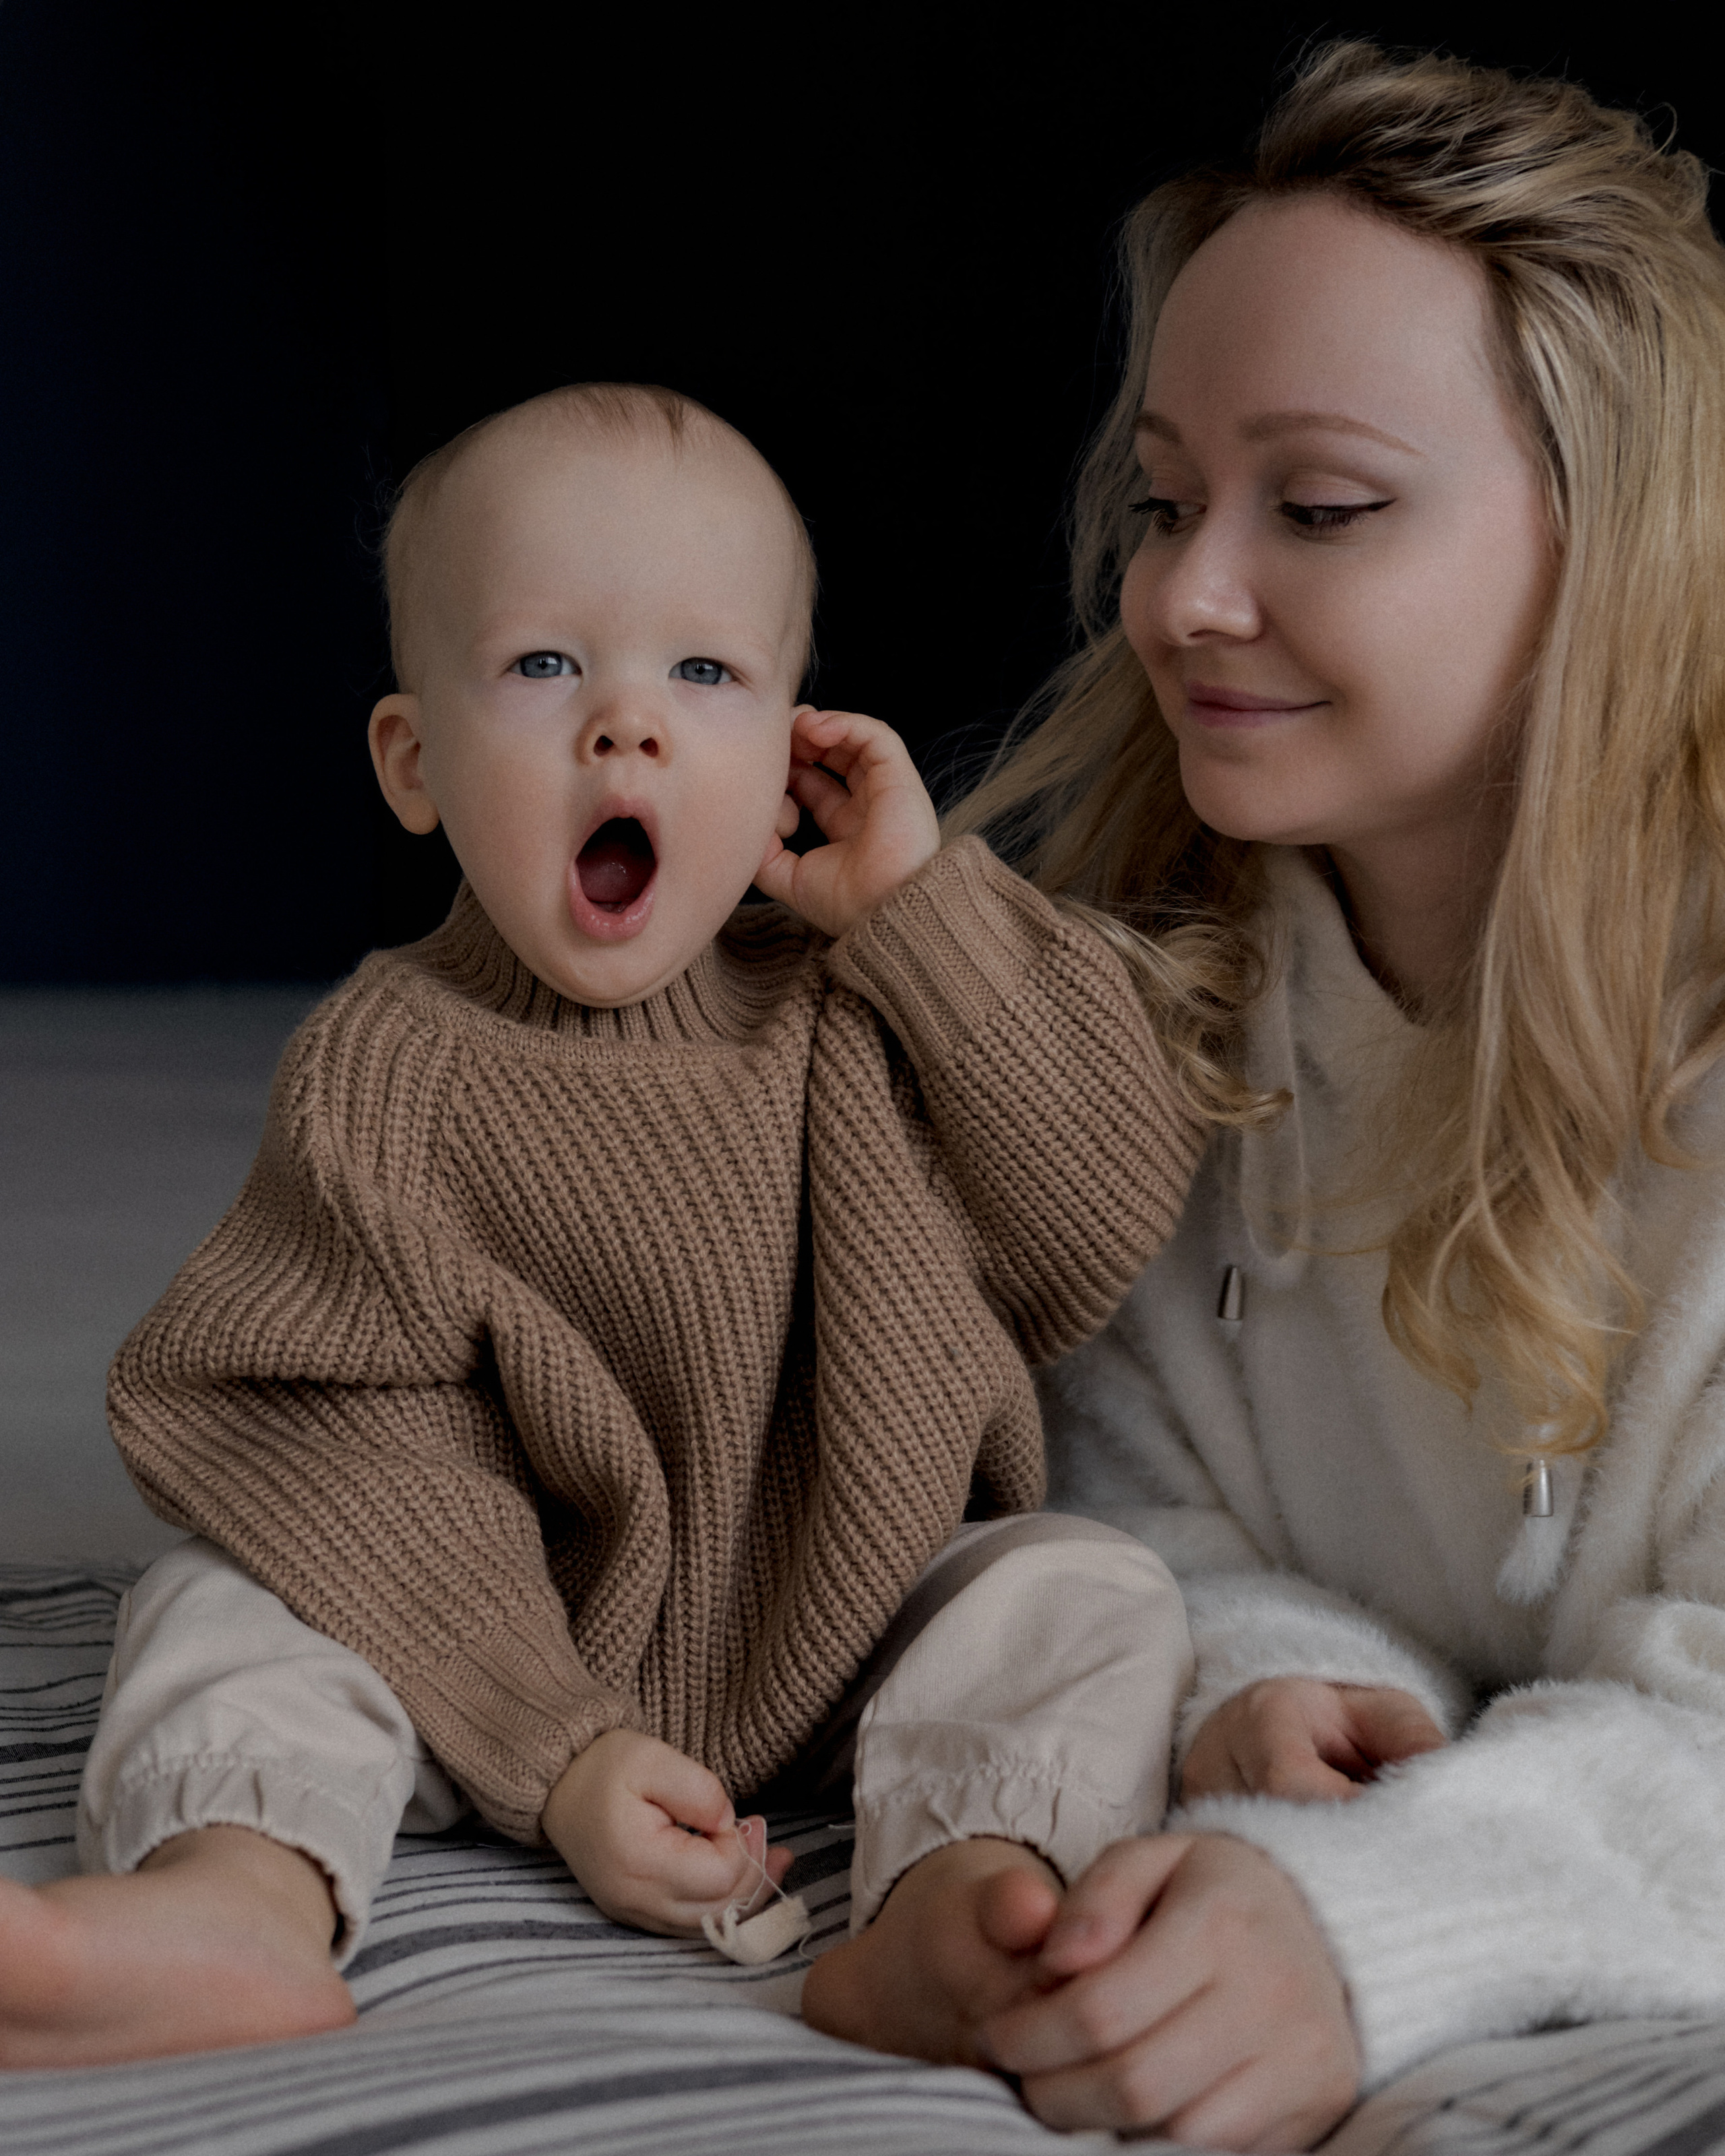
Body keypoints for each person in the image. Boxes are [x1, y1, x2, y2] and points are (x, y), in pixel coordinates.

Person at [0, 383, 1205, 2069]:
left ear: (792, 754)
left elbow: (1103, 1202)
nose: (626, 727)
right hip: (491, 1646)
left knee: (1080, 1592)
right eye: (545, 664)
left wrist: (923, 912)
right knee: (228, 1599)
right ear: (413, 763)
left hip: (857, 1619)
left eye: (702, 673)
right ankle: (235, 1897)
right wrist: (552, 1742)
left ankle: (965, 1888)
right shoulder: (390, 1070)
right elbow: (325, 1436)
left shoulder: (868, 1000)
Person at [819, 36, 1725, 2155]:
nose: (1182, 597)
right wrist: (1271, 1678)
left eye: (1319, 508)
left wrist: (1365, 1924)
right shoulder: (1162, 1015)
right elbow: (1133, 1497)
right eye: (1163, 501)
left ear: (1617, 553)